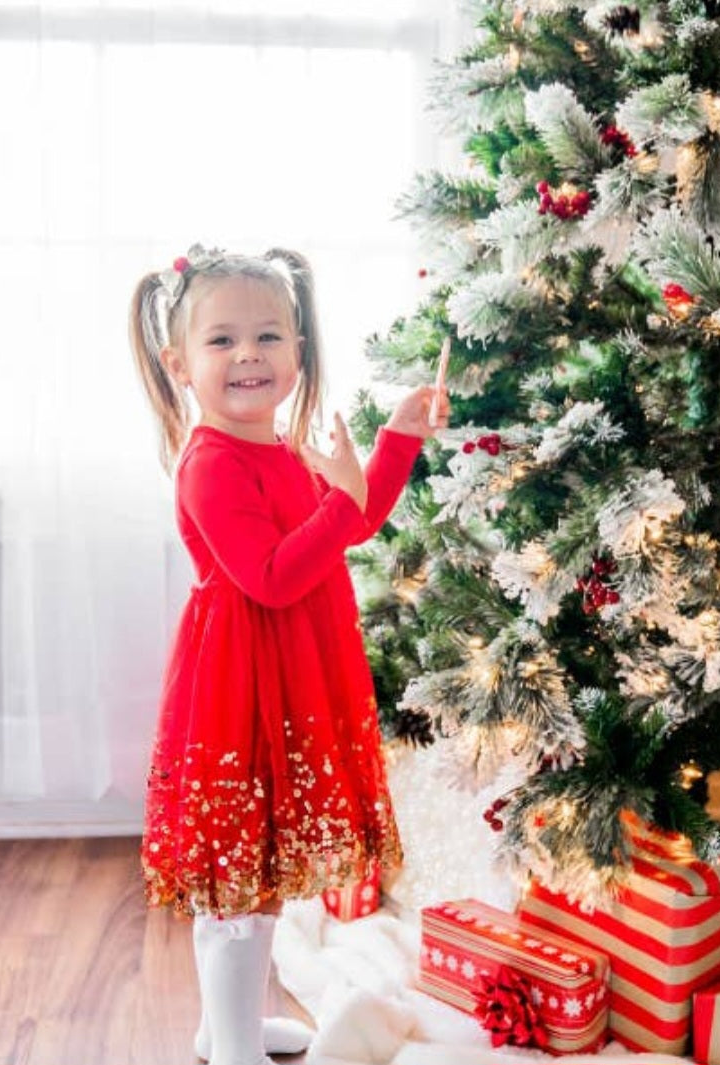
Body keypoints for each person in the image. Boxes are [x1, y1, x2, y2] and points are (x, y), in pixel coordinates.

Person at [128, 244, 449, 1065]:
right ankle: (230, 1044)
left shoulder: (286, 445)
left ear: (298, 351)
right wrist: (340, 499)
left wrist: (398, 440)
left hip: (292, 680)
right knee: (235, 888)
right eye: (222, 340)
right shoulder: (208, 464)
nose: (248, 355)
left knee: (260, 878)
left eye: (270, 336)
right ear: (179, 364)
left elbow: (353, 518)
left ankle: (222, 1026)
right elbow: (272, 578)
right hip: (240, 691)